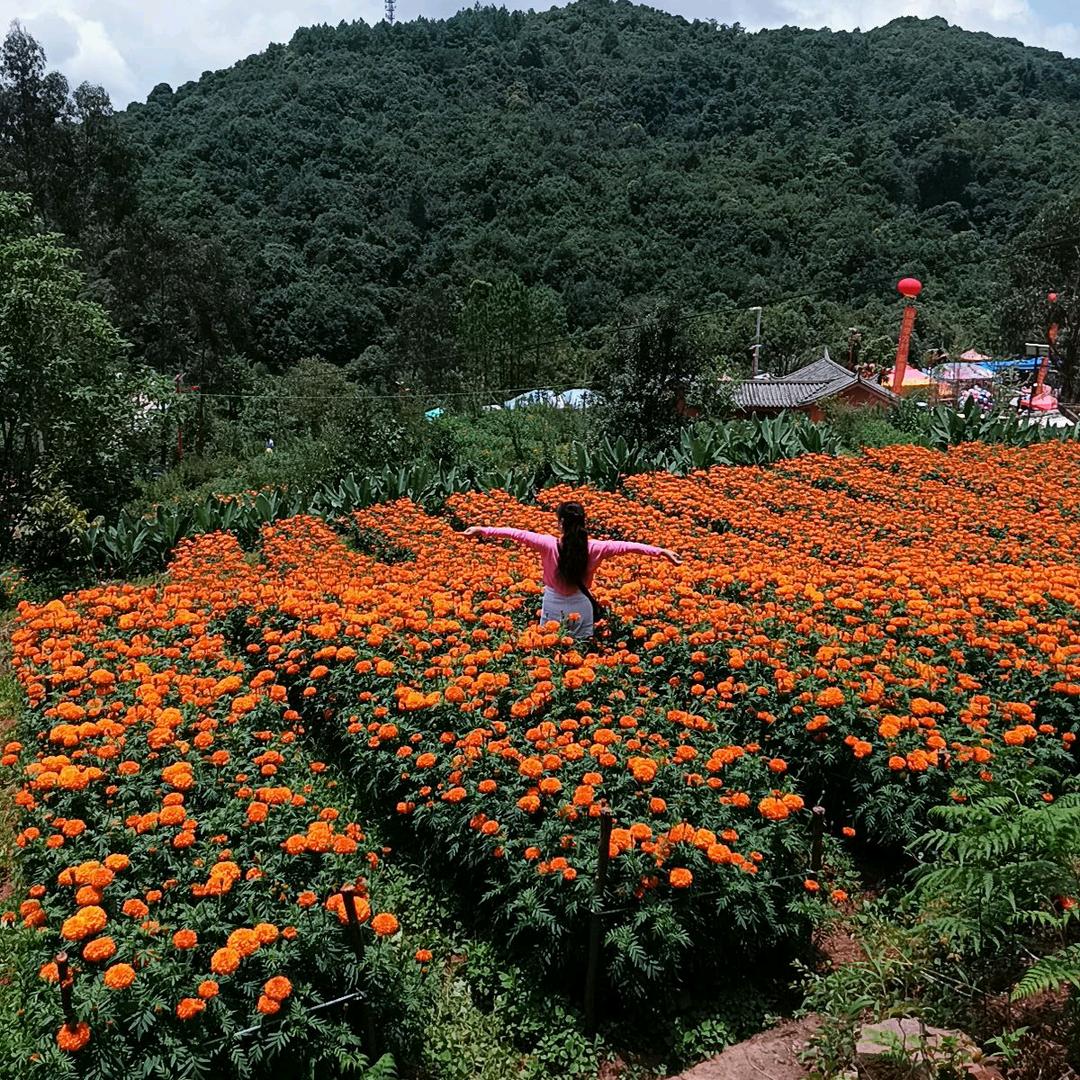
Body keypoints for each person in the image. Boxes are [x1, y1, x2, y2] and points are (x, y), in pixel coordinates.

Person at [464, 501, 681, 639]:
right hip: (581, 604)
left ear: (560, 523)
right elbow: (627, 546)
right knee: (583, 652)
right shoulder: (596, 547)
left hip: (552, 603)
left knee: (550, 649)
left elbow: (516, 533)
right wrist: (661, 551)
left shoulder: (547, 544)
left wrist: (483, 530)